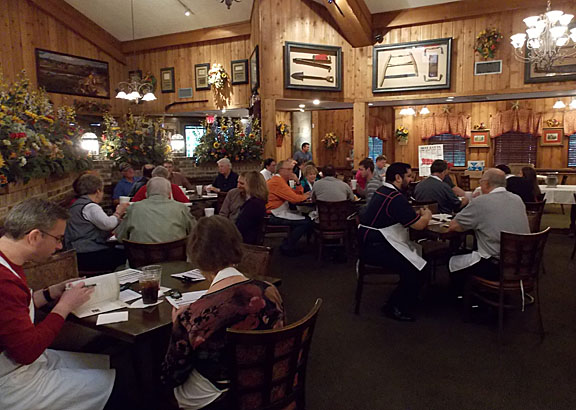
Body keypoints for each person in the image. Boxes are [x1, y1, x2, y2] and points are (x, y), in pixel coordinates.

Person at [0, 199, 116, 410]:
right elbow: (26, 352)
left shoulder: (8, 258)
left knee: (106, 362)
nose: (60, 246)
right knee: (114, 385)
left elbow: (15, 308)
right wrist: (64, 306)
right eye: (58, 239)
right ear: (34, 236)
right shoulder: (3, 279)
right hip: (10, 379)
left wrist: (50, 292)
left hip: (20, 362)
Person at [161, 216, 285, 409]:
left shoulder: (192, 315)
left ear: (196, 256)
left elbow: (172, 375)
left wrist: (178, 325)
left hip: (222, 396)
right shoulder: (270, 290)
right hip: (269, 380)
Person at [358, 163, 432, 322]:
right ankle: (395, 306)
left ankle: (408, 297)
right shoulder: (395, 197)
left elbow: (397, 215)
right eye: (409, 176)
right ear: (398, 178)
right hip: (376, 248)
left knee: (419, 260)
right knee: (419, 267)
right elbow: (418, 225)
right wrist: (427, 215)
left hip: (368, 243)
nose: (411, 180)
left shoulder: (383, 191)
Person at [448, 168, 530, 282]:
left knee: (452, 261)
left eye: (480, 182)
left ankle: (461, 296)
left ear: (486, 183)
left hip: (495, 265)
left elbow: (454, 226)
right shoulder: (517, 199)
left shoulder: (481, 201)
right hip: (522, 262)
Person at [65, 174, 128, 271]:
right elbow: (108, 224)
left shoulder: (76, 205)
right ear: (98, 191)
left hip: (76, 253)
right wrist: (118, 212)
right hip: (89, 253)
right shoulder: (90, 207)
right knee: (126, 255)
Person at [115, 177, 196, 244]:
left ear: (146, 194)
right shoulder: (181, 208)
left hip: (141, 261)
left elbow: (120, 237)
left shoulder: (133, 209)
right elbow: (195, 233)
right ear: (169, 194)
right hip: (175, 260)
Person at [266, 159, 312, 256]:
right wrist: (307, 196)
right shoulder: (277, 182)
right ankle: (287, 246)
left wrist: (298, 183)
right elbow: (295, 199)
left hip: (278, 211)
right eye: (289, 169)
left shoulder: (280, 181)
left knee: (305, 218)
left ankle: (288, 243)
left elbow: (296, 194)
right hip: (273, 213)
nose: (291, 172)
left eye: (291, 169)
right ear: (281, 170)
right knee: (306, 221)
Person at [236, 171, 269, 244]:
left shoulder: (254, 205)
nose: (238, 186)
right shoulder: (255, 202)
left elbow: (241, 228)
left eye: (243, 183)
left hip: (245, 243)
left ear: (252, 185)